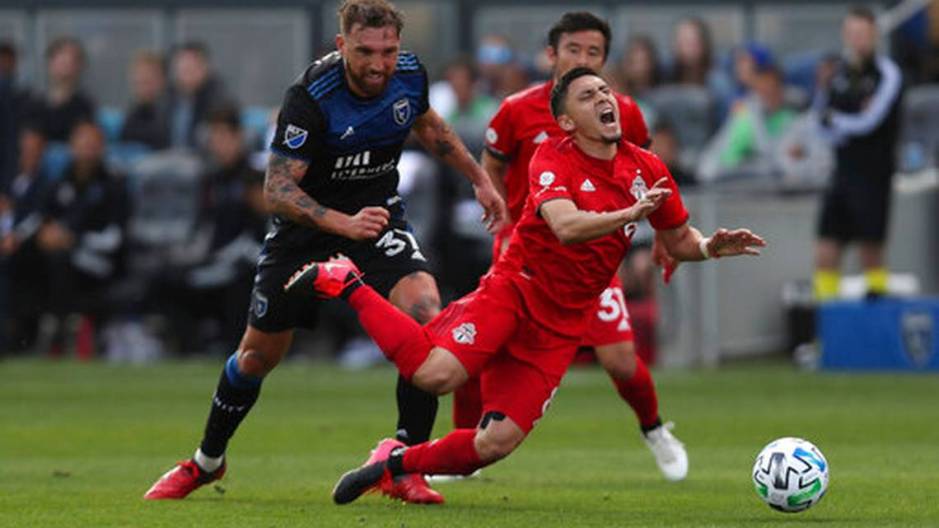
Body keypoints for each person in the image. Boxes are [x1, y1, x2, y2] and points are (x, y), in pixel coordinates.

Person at [291, 67, 765, 505]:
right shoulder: (551, 157)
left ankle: (392, 465)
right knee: (436, 376)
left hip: (561, 324)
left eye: (605, 90)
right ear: (567, 121)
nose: (604, 98)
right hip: (515, 290)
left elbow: (678, 239)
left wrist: (707, 246)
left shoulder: (647, 168)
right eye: (587, 95)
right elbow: (566, 226)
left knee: (493, 444)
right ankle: (346, 282)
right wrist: (629, 214)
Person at [143, 0, 507, 503]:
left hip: (376, 220)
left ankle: (403, 463)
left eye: (388, 51)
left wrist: (480, 180)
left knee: (426, 315)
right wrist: (342, 224)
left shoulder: (407, 74)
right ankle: (206, 462)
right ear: (342, 45)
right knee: (256, 357)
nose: (379, 64)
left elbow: (429, 126)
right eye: (366, 52)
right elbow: (276, 190)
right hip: (305, 235)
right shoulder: (312, 96)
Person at [475, 11, 687, 482]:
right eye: (574, 50)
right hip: (527, 254)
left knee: (621, 360)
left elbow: (644, 171)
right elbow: (491, 164)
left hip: (591, 255)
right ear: (552, 54)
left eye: (594, 53)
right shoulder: (516, 109)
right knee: (484, 346)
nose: (583, 59)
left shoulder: (623, 111)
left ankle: (654, 429)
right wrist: (501, 216)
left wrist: (663, 237)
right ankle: (469, 443)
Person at [150, 105, 267, 355]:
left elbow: (264, 229)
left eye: (224, 136)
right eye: (214, 137)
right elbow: (204, 228)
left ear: (238, 137)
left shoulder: (255, 177)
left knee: (242, 282)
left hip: (249, 262)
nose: (219, 144)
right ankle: (192, 346)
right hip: (215, 261)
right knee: (165, 279)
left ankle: (236, 346)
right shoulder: (211, 179)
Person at [813, 7, 903, 301]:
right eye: (852, 33)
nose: (857, 39)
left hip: (873, 173)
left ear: (874, 35)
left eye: (862, 33)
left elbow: (870, 121)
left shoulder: (887, 73)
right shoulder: (835, 73)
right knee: (827, 244)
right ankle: (825, 314)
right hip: (842, 171)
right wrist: (834, 123)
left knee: (871, 246)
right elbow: (820, 118)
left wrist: (837, 121)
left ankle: (877, 308)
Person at [36, 122, 128, 357]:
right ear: (71, 146)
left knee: (62, 259)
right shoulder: (60, 182)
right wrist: (44, 234)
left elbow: (115, 238)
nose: (87, 149)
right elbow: (43, 219)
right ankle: (27, 329)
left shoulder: (113, 184)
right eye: (82, 142)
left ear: (102, 147)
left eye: (92, 144)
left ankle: (62, 329)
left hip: (99, 261)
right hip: (62, 255)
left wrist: (74, 239)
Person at [26, 37, 96, 142]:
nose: (66, 63)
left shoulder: (84, 106)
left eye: (72, 60)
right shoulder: (31, 102)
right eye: (61, 57)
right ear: (50, 62)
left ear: (80, 66)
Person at [166, 42, 230, 149]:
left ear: (204, 68)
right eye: (182, 68)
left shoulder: (217, 100)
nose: (185, 73)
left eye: (190, 67)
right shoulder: (166, 97)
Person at [120, 51, 170, 149]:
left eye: (147, 81)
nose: (142, 87)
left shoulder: (170, 111)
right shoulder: (134, 110)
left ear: (162, 80)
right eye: (138, 82)